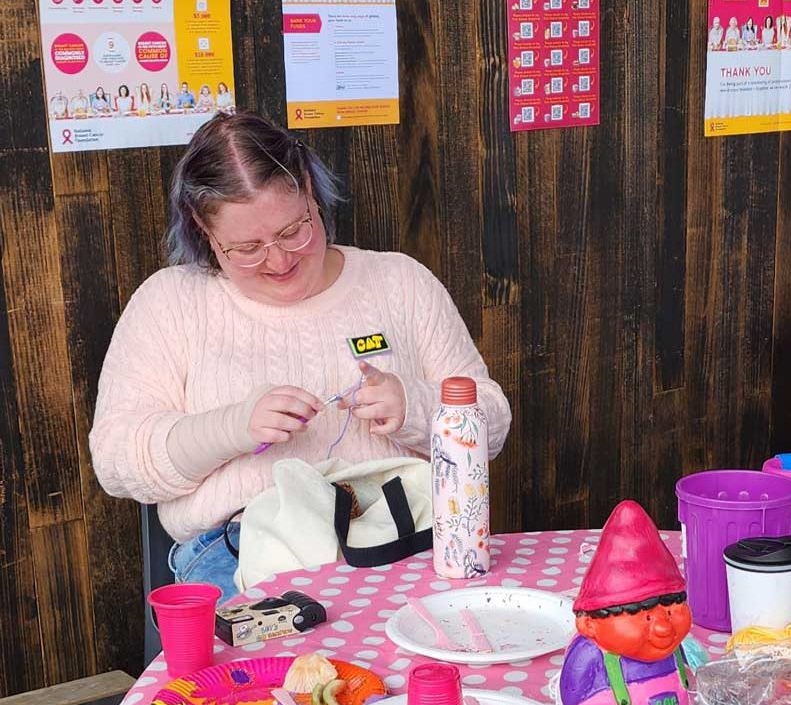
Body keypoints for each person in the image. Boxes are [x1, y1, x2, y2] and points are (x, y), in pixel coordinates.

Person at [89, 113, 511, 601]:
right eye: (247, 248)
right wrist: (234, 427)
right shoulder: (171, 303)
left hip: (402, 533)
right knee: (304, 655)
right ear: (203, 229)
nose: (279, 260)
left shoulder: (400, 283)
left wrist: (414, 407)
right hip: (244, 550)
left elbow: (493, 424)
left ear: (310, 191)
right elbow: (117, 461)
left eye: (293, 231)